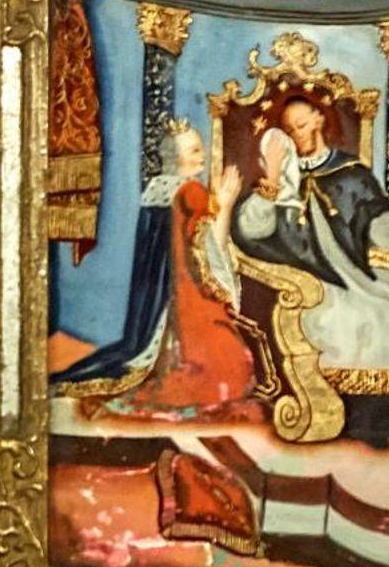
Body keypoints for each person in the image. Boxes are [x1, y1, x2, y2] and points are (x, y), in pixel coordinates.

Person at [53, 121, 260, 418]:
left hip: (159, 309)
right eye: (195, 150)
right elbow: (209, 253)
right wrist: (225, 205)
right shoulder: (192, 192)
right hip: (191, 298)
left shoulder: (156, 190)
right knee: (232, 369)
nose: (203, 155)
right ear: (177, 159)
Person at [228, 95, 389, 370]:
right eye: (290, 130)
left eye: (301, 125)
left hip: (355, 270)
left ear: (318, 119)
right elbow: (252, 230)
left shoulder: (350, 173)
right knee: (372, 316)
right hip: (313, 278)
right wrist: (272, 178)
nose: (296, 135)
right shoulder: (283, 181)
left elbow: (375, 220)